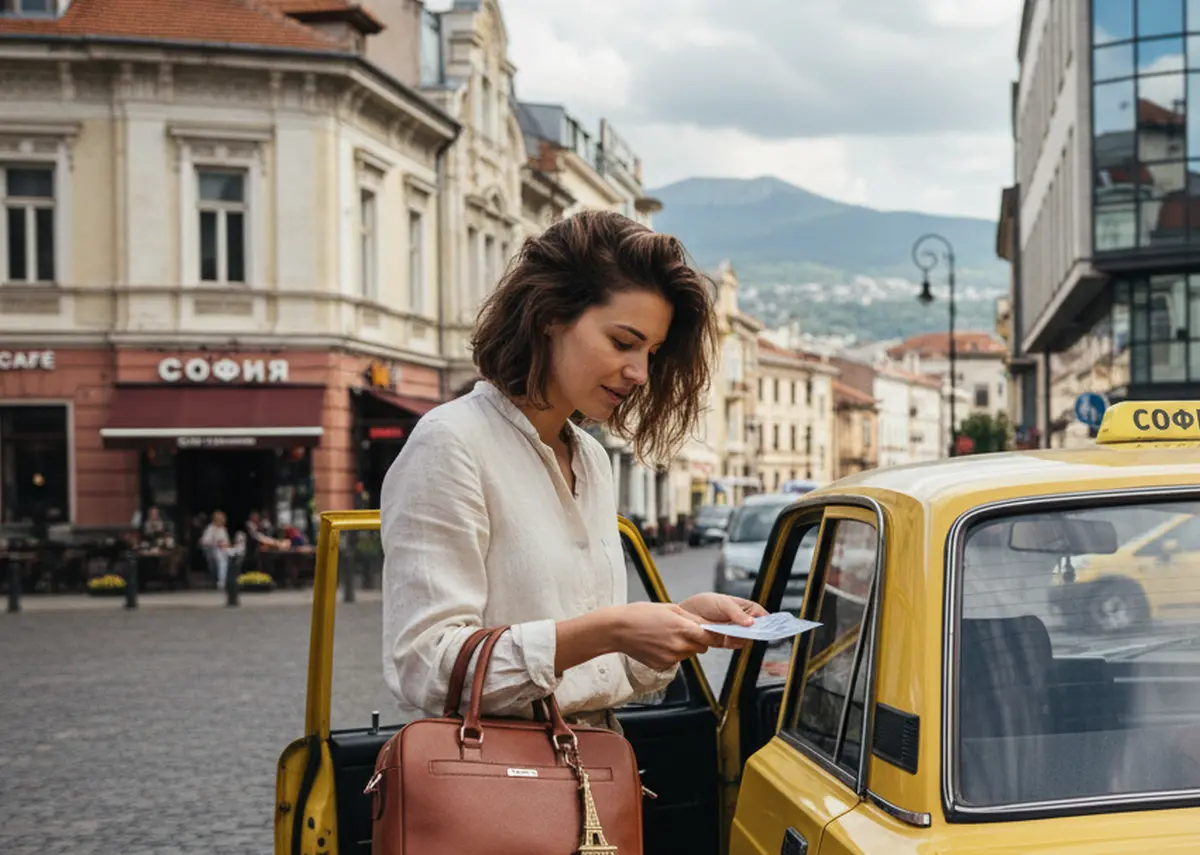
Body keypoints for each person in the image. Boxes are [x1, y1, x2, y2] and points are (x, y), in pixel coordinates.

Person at [380, 210, 767, 730]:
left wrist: (681, 621)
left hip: (594, 776)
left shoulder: (590, 457)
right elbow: (425, 666)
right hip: (497, 787)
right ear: (550, 316)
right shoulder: (452, 443)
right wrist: (608, 629)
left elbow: (593, 674)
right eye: (623, 342)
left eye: (651, 353)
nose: (639, 373)